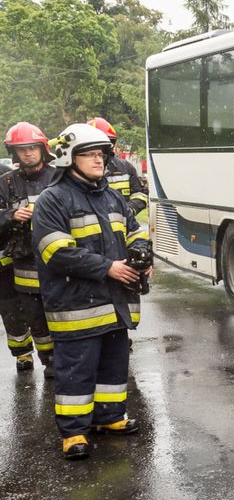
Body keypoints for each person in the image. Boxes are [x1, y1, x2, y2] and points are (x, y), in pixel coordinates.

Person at [32, 124, 149, 460]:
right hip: (76, 304)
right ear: (70, 158)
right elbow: (56, 251)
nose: (99, 160)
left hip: (115, 303)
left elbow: (134, 230)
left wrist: (142, 257)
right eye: (91, 154)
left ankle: (109, 418)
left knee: (114, 365)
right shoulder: (53, 200)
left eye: (102, 154)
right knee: (77, 370)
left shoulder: (111, 195)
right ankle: (74, 433)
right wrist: (108, 267)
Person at [0, 122, 57, 375]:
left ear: (43, 149)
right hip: (22, 261)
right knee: (34, 315)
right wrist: (11, 215)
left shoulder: (59, 177)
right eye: (21, 149)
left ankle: (63, 357)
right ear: (14, 153)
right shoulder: (6, 183)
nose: (28, 153)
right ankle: (48, 360)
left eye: (33, 147)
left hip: (58, 259)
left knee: (60, 312)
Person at [86, 117, 148, 228]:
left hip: (123, 228)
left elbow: (141, 195)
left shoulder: (126, 168)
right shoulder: (79, 172)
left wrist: (128, 211)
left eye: (106, 142)